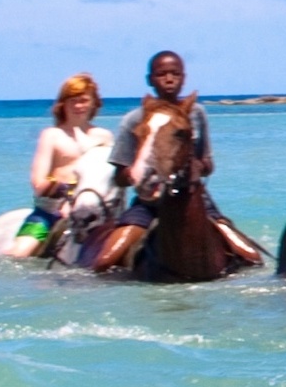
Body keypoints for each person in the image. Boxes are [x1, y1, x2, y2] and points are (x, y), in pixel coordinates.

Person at [100, 50, 259, 271]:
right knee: (105, 259)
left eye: (175, 73)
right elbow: (119, 177)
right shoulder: (133, 120)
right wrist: (135, 173)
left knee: (250, 256)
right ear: (150, 80)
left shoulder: (196, 113)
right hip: (149, 205)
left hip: (193, 199)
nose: (169, 78)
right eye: (161, 74)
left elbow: (208, 164)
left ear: (183, 78)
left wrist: (197, 165)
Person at [15, 75, 117, 259]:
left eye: (84, 100)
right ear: (63, 104)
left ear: (94, 103)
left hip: (93, 210)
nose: (78, 106)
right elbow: (38, 183)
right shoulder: (52, 135)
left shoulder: (105, 137)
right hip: (52, 210)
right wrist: (61, 187)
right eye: (73, 100)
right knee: (18, 254)